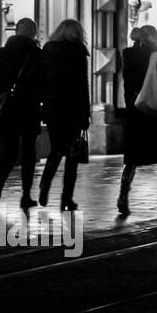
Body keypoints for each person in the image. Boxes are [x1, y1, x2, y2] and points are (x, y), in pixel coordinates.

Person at [118, 25, 157, 215]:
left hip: (135, 112)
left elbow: (129, 85)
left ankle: (123, 197)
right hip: (155, 114)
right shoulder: (156, 54)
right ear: (151, 37)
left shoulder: (127, 55)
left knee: (132, 158)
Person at [0, 19, 44, 210]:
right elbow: (45, 81)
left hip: (8, 109)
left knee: (9, 151)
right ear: (33, 34)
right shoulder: (36, 53)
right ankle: (26, 195)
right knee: (28, 151)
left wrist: (1, 91)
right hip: (29, 108)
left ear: (17, 31)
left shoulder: (3, 52)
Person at [37, 19, 91, 212]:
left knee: (56, 150)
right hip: (73, 109)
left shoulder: (48, 51)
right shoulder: (78, 53)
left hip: (52, 109)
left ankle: (45, 184)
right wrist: (86, 113)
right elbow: (83, 86)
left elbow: (40, 79)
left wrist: (44, 101)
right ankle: (66, 198)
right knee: (72, 155)